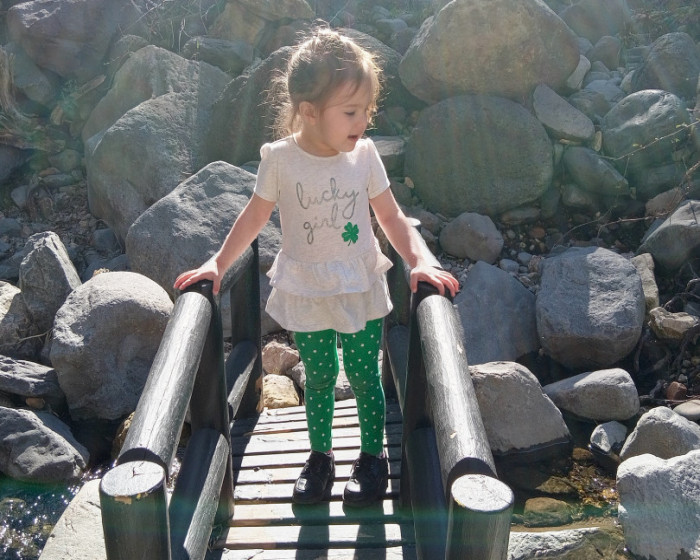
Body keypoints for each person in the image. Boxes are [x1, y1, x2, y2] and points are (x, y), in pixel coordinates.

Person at [174, 28, 459, 507]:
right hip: (306, 287)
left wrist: (419, 261)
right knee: (320, 376)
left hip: (358, 284)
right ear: (308, 111)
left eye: (367, 110)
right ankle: (321, 457)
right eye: (350, 112)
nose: (362, 122)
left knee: (365, 377)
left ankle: (372, 458)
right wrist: (217, 264)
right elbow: (255, 216)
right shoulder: (280, 160)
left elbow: (391, 217)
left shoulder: (364, 156)